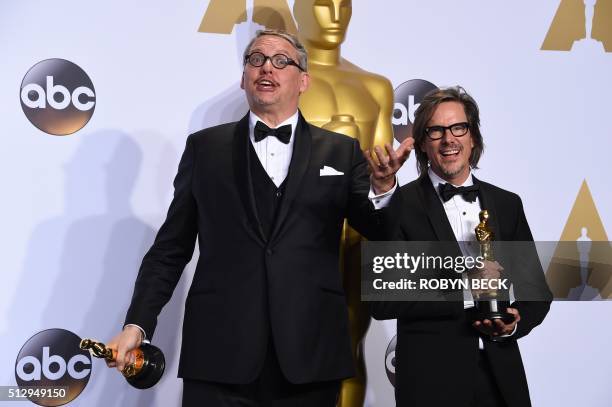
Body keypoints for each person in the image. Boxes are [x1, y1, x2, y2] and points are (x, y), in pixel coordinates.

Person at [107, 29, 411, 406]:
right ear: (243, 77)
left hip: (310, 357)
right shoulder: (205, 149)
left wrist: (384, 189)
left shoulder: (342, 150)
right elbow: (171, 248)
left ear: (303, 81)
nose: (267, 66)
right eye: (256, 59)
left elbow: (381, 233)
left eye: (281, 60)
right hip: (219, 357)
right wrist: (138, 323)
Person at [371, 86, 552, 407]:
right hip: (431, 383)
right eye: (436, 131)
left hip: (502, 380)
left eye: (458, 128)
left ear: (473, 138)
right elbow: (384, 300)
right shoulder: (400, 205)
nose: (449, 139)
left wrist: (513, 323)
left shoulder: (507, 204)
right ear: (423, 144)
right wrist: (468, 287)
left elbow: (535, 293)